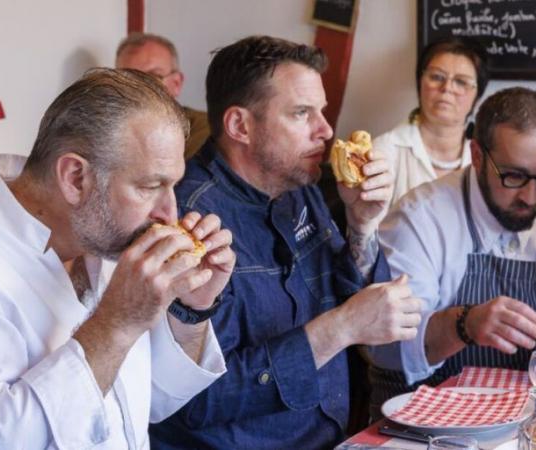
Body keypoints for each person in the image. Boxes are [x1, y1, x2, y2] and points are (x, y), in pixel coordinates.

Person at [149, 35, 423, 449]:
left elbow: (369, 316)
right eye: (301, 114)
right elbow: (193, 401)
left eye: (322, 112)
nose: (326, 131)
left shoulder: (298, 184)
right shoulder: (186, 223)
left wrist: (362, 225)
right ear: (239, 125)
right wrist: (341, 327)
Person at [0, 68, 236, 448]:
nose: (170, 213)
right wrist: (115, 324)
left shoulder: (103, 234)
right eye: (150, 186)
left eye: (173, 185)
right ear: (75, 178)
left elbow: (146, 405)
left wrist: (191, 311)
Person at [368, 87, 536, 414]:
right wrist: (464, 324)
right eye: (514, 176)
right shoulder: (419, 217)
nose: (531, 196)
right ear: (477, 156)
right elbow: (386, 347)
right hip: (431, 422)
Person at [373, 36, 489, 208]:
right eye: (436, 77)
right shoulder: (383, 151)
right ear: (420, 83)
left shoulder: (488, 160)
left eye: (461, 82)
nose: (447, 88)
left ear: (477, 97)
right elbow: (366, 231)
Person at [116, 32, 210, 159]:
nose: (139, 88)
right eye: (128, 78)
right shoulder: (104, 132)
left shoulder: (205, 129)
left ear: (176, 83)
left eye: (153, 77)